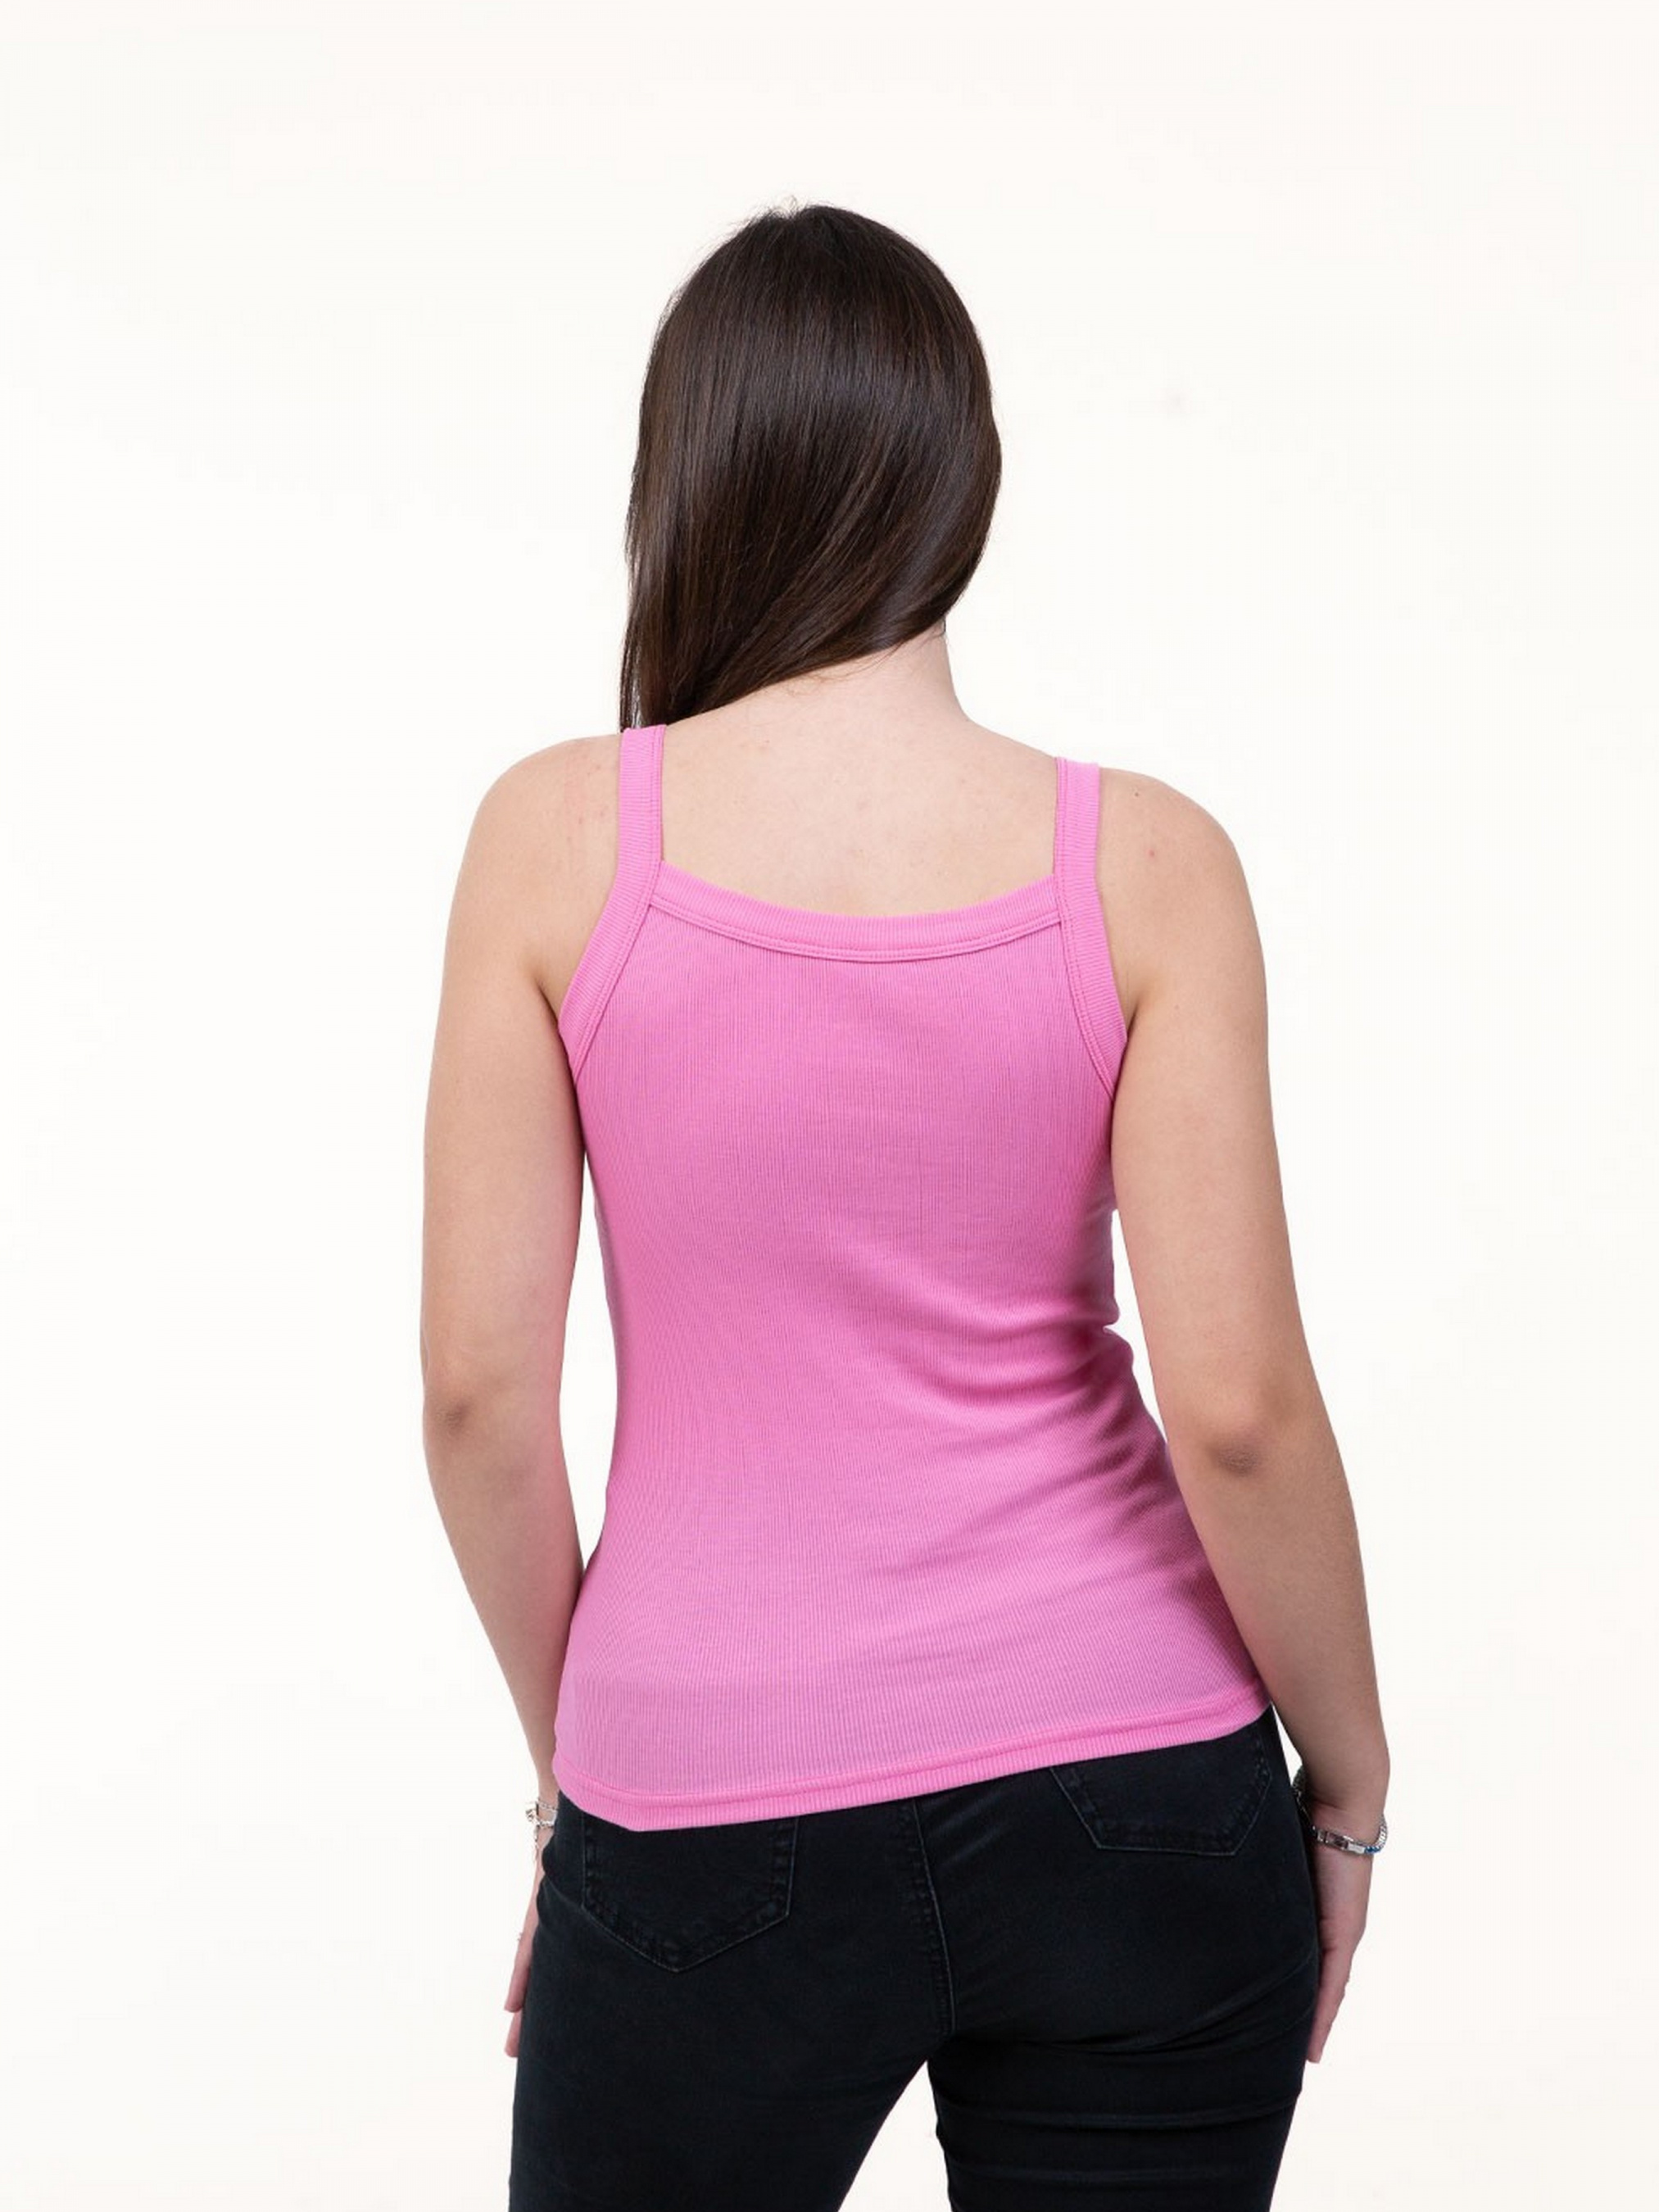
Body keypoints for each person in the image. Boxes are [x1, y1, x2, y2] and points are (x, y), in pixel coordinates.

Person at [420, 202, 1391, 2212]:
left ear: (682, 482)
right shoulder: (1144, 864)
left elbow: (477, 1402)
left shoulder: (556, 840)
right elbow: (1233, 1409)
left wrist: (581, 1774)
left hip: (702, 1789)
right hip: (1138, 1785)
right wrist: (1350, 1777)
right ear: (963, 479)